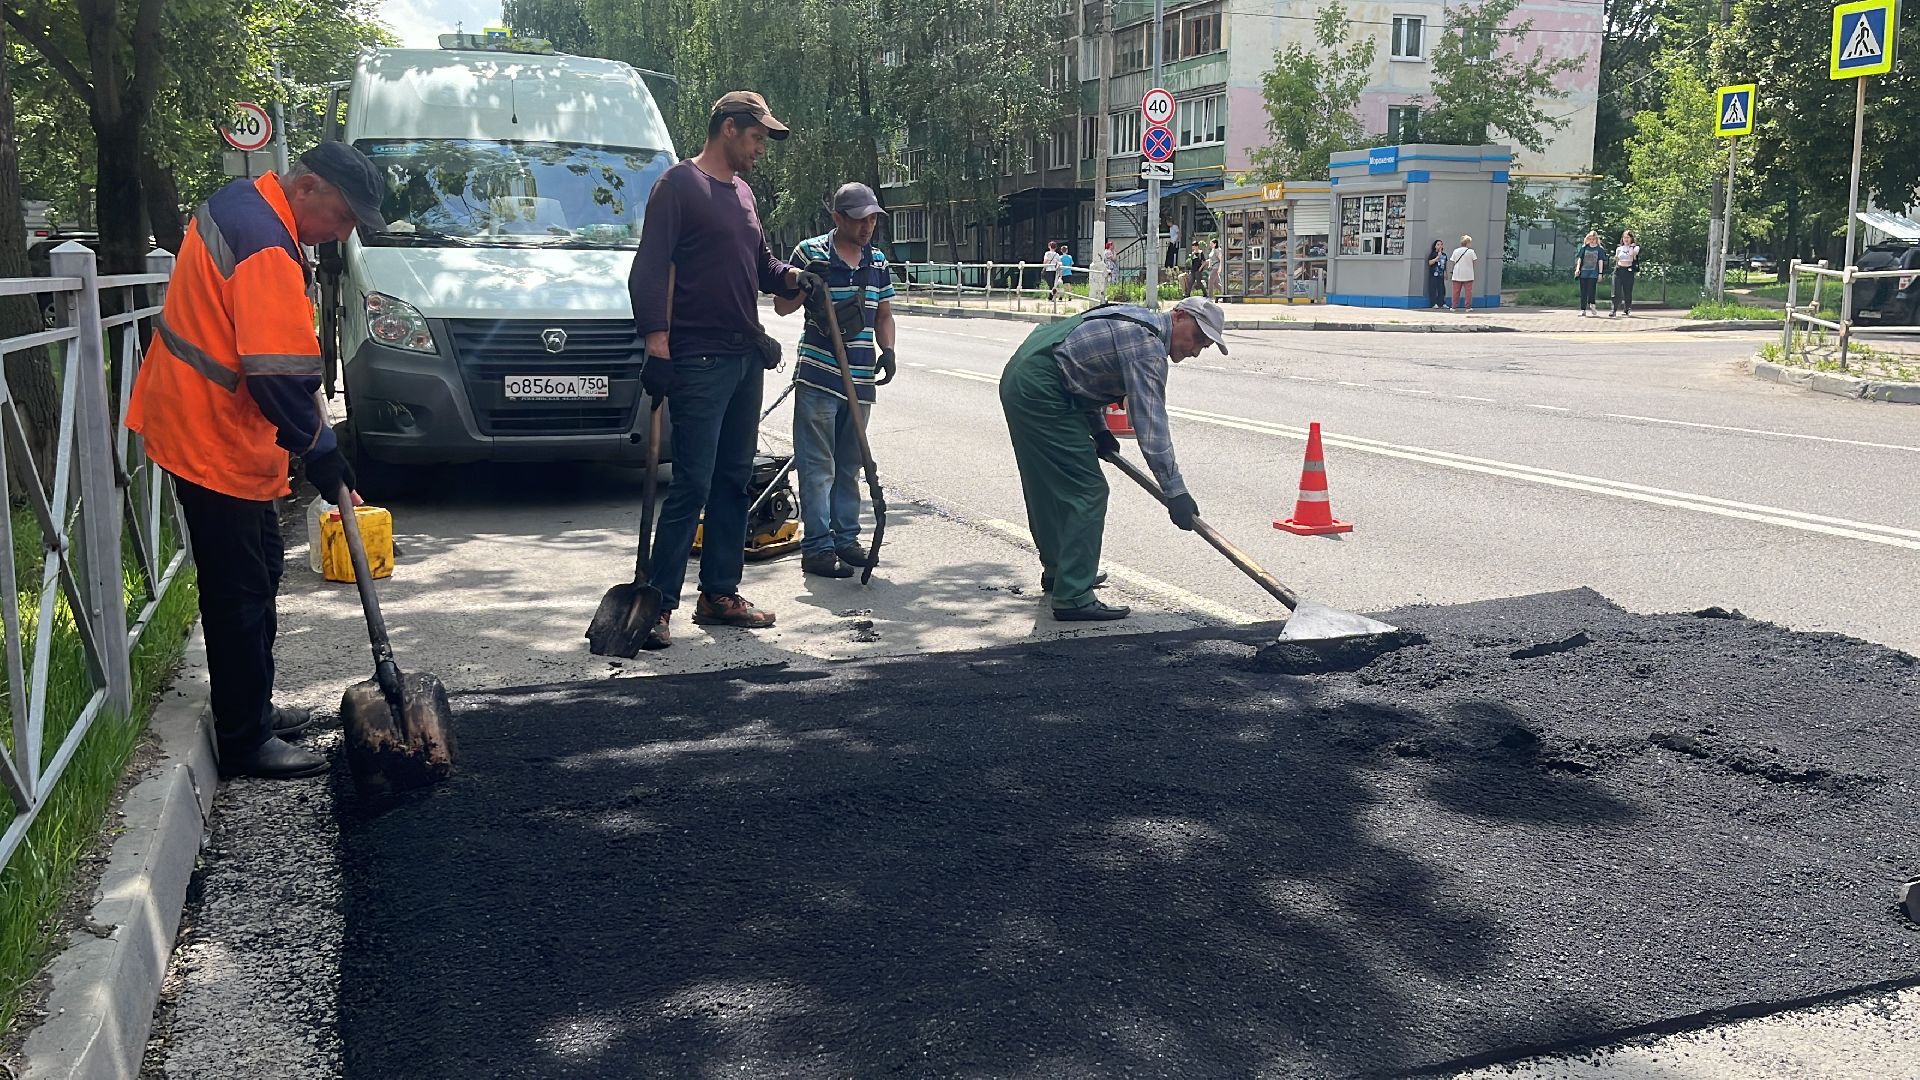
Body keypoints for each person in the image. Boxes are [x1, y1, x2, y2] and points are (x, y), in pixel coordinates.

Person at [125, 143, 385, 779]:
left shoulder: (241, 207)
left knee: (259, 568)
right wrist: (325, 457)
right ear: (307, 189)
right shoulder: (267, 244)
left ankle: (252, 706)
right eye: (344, 217)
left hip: (198, 420)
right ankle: (244, 739)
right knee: (240, 590)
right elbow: (274, 374)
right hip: (211, 435)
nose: (342, 234)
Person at [628, 91, 825, 649]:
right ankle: (660, 604)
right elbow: (650, 268)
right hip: (697, 359)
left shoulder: (743, 194)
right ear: (731, 129)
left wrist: (793, 278)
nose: (762, 148)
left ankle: (719, 593)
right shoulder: (678, 185)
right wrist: (657, 346)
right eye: (759, 137)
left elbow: (759, 265)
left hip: (743, 356)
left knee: (733, 481)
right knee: (692, 481)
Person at [998, 296, 1229, 621]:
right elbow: (1151, 425)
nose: (1195, 349)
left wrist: (1099, 429)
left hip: (1033, 376)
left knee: (1049, 487)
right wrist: (1174, 490)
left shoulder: (1136, 318)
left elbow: (1085, 368)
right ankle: (1073, 595)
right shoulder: (1147, 347)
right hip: (1042, 388)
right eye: (1198, 337)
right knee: (1087, 491)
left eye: (1204, 346)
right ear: (1178, 316)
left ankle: (1062, 573)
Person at [773, 182, 896, 579]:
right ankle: (818, 547)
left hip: (860, 379)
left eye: (873, 219)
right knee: (818, 466)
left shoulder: (876, 262)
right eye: (860, 219)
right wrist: (805, 280)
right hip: (820, 375)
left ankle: (846, 539)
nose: (868, 227)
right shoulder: (810, 253)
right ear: (838, 218)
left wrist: (888, 350)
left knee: (849, 465)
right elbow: (781, 307)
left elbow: (884, 315)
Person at [1573, 230, 1607, 317]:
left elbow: (1600, 261)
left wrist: (1600, 273)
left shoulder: (1599, 249)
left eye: (1593, 239)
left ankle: (1592, 304)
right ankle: (1583, 309)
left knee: (1591, 289)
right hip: (1584, 272)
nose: (1592, 240)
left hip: (1593, 272)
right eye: (1590, 239)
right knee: (1583, 291)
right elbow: (1580, 259)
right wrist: (1577, 269)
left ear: (1596, 239)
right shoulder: (1584, 248)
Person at [1611, 229, 1640, 317]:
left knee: (1627, 291)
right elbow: (1617, 259)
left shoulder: (1635, 248)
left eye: (1628, 237)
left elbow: (1632, 255)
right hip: (1619, 270)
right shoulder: (1619, 248)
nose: (1626, 239)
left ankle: (1627, 308)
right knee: (1616, 290)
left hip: (1628, 270)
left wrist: (1631, 247)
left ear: (1631, 238)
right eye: (1624, 237)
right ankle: (1614, 309)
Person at [1448, 234, 1479, 312]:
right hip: (1468, 274)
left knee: (1455, 291)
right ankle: (1468, 307)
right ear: (1468, 243)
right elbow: (1474, 262)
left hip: (1457, 274)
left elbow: (1453, 261)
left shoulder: (1456, 251)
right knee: (1468, 292)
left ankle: (1454, 307)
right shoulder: (1471, 252)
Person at [1425, 239, 1448, 308]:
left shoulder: (1444, 255)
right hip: (1434, 274)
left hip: (1441, 274)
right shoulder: (1433, 254)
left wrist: (1446, 273)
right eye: (1438, 244)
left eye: (1441, 244)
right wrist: (1437, 257)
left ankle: (1442, 303)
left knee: (1442, 289)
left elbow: (1445, 264)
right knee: (1433, 289)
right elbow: (1429, 263)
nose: (1440, 246)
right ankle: (1434, 303)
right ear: (1435, 246)